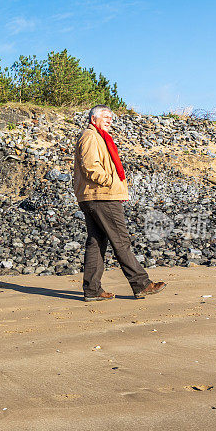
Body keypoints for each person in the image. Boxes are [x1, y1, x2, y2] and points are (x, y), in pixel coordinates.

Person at [73, 104, 166, 301]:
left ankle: (92, 290)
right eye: (105, 117)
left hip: (93, 196)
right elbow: (90, 167)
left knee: (96, 242)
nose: (109, 120)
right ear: (93, 119)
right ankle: (141, 284)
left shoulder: (97, 137)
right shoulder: (91, 136)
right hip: (102, 195)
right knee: (121, 240)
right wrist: (112, 182)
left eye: (111, 118)